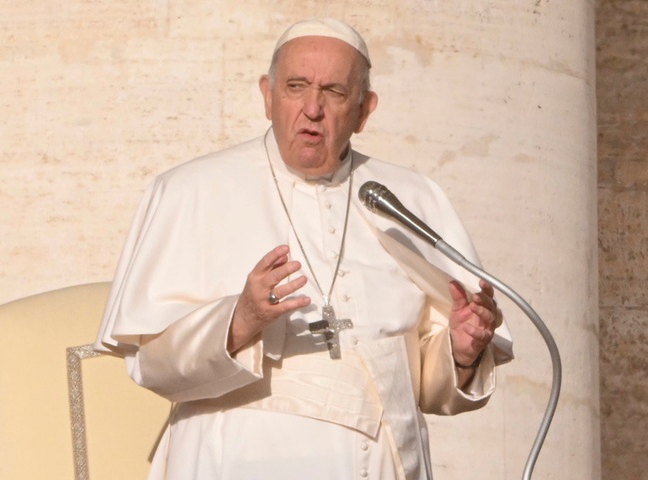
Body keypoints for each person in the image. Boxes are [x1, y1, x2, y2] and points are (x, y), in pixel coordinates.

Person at [95, 18, 513, 480]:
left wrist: (459, 352)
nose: (312, 108)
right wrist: (240, 321)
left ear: (364, 110)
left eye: (334, 91)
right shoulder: (189, 189)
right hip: (236, 460)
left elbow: (423, 383)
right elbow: (152, 364)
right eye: (296, 86)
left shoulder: (409, 198)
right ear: (267, 96)